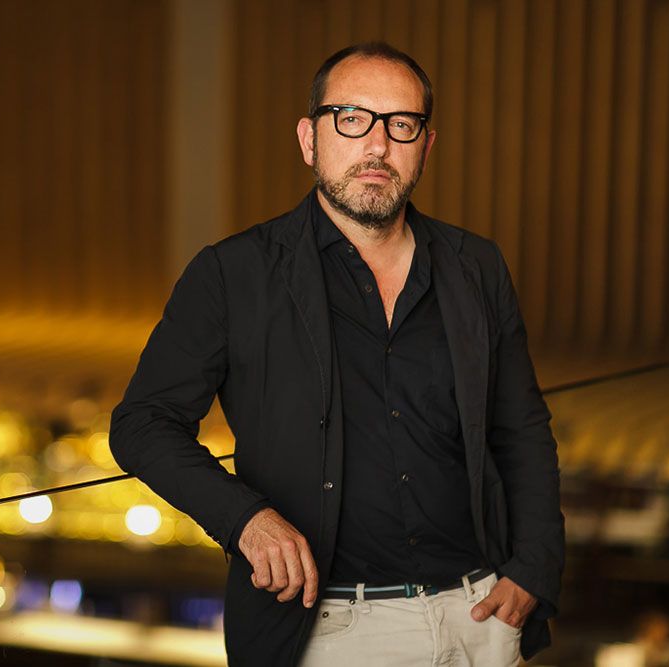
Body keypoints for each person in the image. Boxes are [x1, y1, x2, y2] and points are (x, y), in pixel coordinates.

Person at [110, 42, 564, 666]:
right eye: (352, 119)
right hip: (329, 630)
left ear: (426, 145)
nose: (377, 145)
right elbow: (142, 424)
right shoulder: (232, 274)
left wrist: (534, 566)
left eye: (401, 125)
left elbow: (522, 429)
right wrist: (246, 520)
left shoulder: (476, 265)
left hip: (480, 616)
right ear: (310, 139)